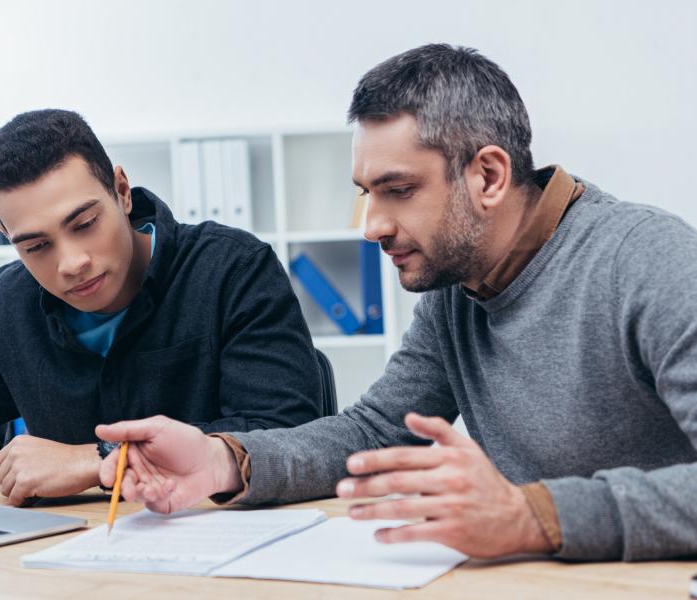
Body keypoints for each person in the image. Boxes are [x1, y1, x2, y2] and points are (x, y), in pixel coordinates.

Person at [95, 44, 697, 562]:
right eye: (366, 193)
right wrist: (223, 461)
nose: (372, 226)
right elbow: (377, 430)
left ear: (488, 176)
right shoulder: (459, 286)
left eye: (399, 191)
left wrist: (530, 514)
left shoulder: (648, 260)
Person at [0, 109, 323, 506]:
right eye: (36, 246)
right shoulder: (6, 303)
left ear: (121, 191)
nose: (71, 263)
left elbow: (282, 435)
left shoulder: (233, 269)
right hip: (71, 561)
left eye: (84, 224)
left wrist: (94, 460)